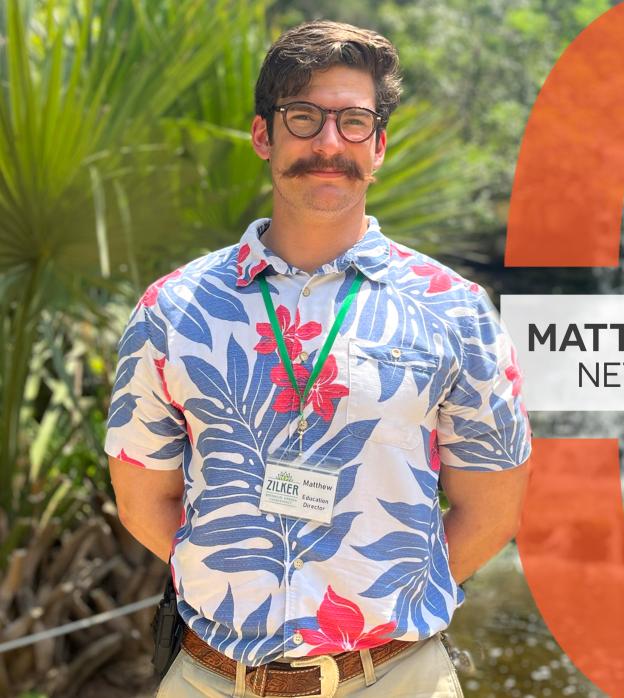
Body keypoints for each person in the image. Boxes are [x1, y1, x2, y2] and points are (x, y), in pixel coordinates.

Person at [105, 20, 532, 698]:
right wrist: (237, 577)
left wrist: (382, 598)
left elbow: (491, 511)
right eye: (304, 118)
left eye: (354, 122)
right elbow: (142, 500)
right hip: (213, 679)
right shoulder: (171, 311)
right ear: (262, 135)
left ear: (380, 145)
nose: (329, 143)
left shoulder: (456, 311)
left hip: (396, 680)